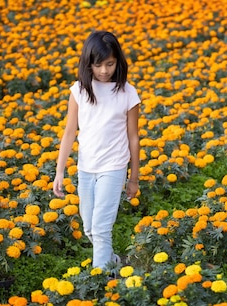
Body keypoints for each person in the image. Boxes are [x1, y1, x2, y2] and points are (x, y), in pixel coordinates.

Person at [53, 30, 140, 272]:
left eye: (110, 64)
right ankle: (112, 261)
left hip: (113, 167)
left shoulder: (127, 93)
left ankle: (100, 282)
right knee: (90, 227)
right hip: (86, 167)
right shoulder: (79, 90)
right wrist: (59, 172)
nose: (104, 70)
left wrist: (134, 178)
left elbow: (134, 138)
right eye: (98, 65)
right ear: (88, 63)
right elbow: (69, 132)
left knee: (101, 228)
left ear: (118, 61)